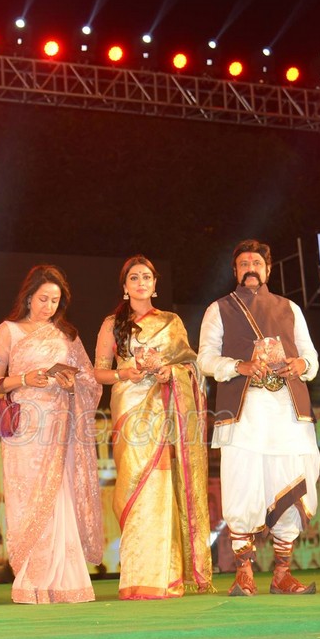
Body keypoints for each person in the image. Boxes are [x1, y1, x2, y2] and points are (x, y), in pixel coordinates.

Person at [197, 239, 320, 597]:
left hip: (288, 413)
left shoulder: (290, 308)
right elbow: (205, 359)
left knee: (291, 483)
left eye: (256, 263)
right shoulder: (219, 309)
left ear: (267, 269)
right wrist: (241, 366)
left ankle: (282, 573)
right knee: (243, 487)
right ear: (235, 271)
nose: (250, 268)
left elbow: (311, 358)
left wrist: (300, 364)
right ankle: (244, 572)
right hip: (243, 414)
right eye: (243, 264)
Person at [93, 256, 213, 599]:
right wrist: (124, 373)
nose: (141, 282)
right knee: (133, 485)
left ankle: (166, 576)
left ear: (155, 284)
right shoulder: (112, 324)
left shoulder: (171, 322)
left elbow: (192, 367)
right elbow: (98, 372)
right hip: (130, 412)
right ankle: (135, 576)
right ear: (125, 286)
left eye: (147, 277)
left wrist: (169, 372)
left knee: (161, 486)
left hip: (164, 410)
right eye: (134, 277)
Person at [0, 265, 103, 604]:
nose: (48, 306)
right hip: (25, 428)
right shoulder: (8, 331)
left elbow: (89, 379)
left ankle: (66, 581)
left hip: (60, 425)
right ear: (28, 297)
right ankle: (31, 579)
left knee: (59, 496)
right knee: (27, 500)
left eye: (55, 301)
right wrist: (26, 378)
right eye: (43, 299)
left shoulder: (66, 335)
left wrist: (71, 383)